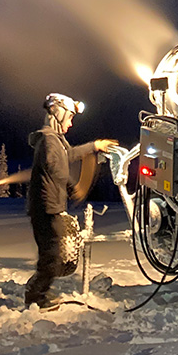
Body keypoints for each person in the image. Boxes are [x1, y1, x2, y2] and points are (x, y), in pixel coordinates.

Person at [24, 92, 116, 307]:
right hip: (46, 207)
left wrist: (95, 146)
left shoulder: (54, 140)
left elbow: (69, 155)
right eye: (70, 117)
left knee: (51, 255)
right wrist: (77, 185)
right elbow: (57, 168)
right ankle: (36, 297)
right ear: (58, 114)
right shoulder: (49, 141)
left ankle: (37, 292)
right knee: (52, 257)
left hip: (49, 206)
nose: (71, 123)